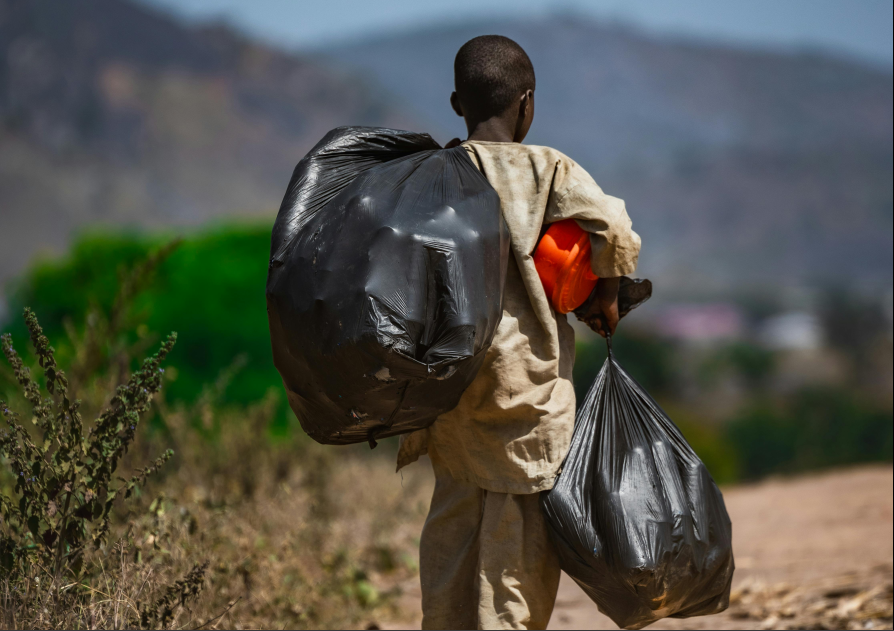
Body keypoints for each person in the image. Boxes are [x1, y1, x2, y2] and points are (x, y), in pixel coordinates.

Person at [396, 35, 641, 630]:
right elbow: (612, 224)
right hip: (523, 397)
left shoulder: (433, 173)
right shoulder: (546, 167)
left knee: (452, 539)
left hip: (449, 396)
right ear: (527, 104)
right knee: (513, 566)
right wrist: (608, 292)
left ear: (458, 104)